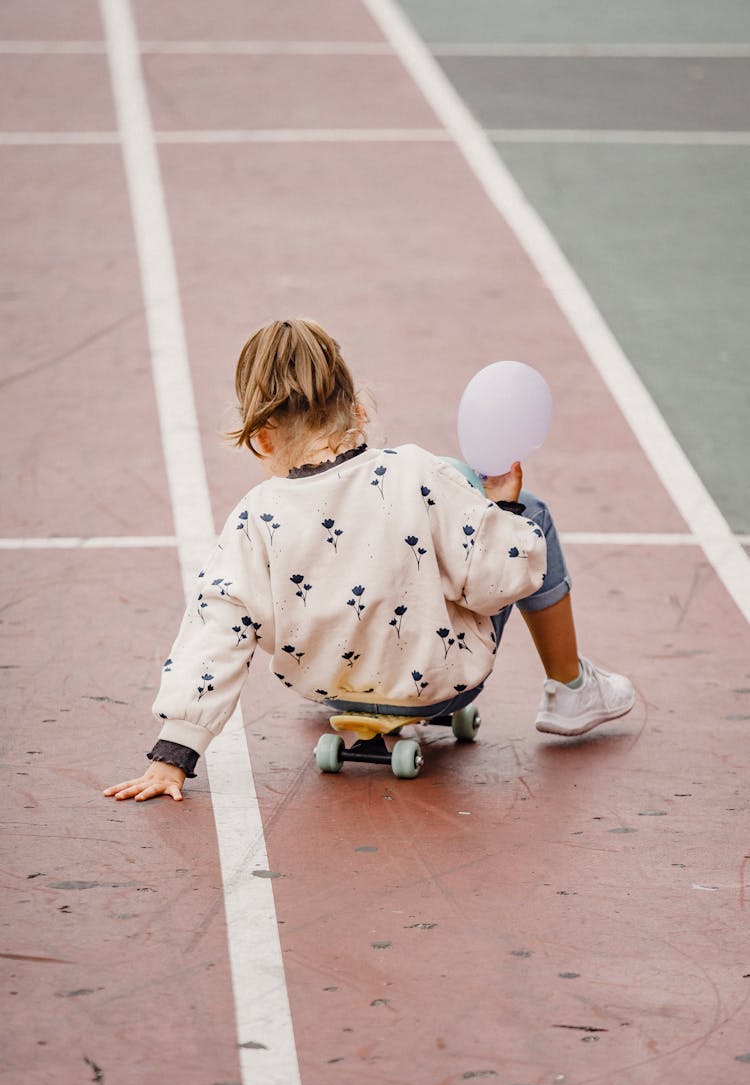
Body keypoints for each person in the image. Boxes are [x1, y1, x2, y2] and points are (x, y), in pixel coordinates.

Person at [104, 318, 634, 803]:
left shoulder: (255, 514)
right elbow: (499, 581)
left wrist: (175, 752)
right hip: (435, 684)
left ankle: (358, 680)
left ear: (262, 437)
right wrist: (504, 510)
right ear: (359, 413)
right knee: (526, 520)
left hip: (329, 685)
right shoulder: (419, 473)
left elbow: (218, 625)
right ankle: (571, 690)